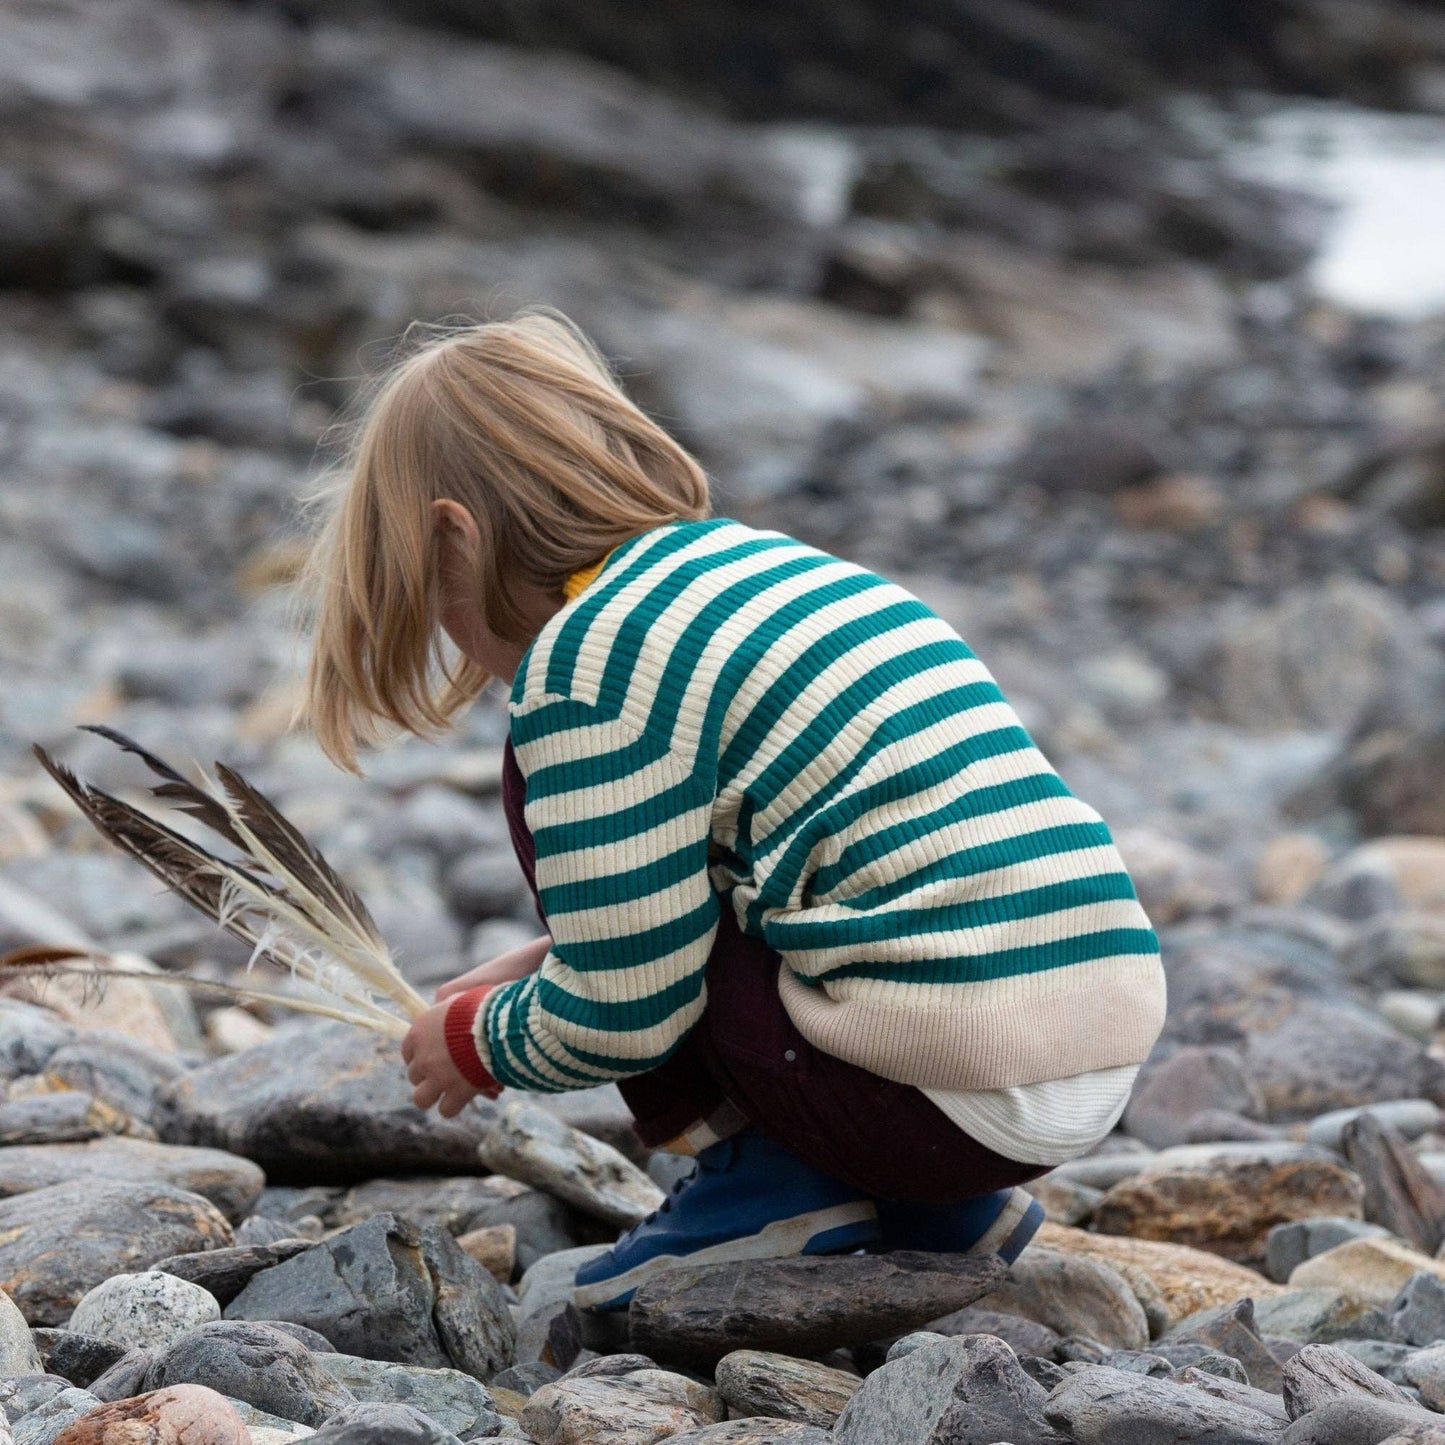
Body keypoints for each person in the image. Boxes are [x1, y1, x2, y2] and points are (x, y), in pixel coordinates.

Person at [300, 304, 1168, 1312]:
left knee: (536, 777)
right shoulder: (765, 571)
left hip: (940, 1100)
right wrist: (544, 957)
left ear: (454, 540)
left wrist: (481, 1041)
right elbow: (816, 866)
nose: (456, 645)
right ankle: (939, 1211)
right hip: (1075, 1051)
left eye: (426, 601)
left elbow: (629, 1004)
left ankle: (766, 1190)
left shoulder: (584, 664)